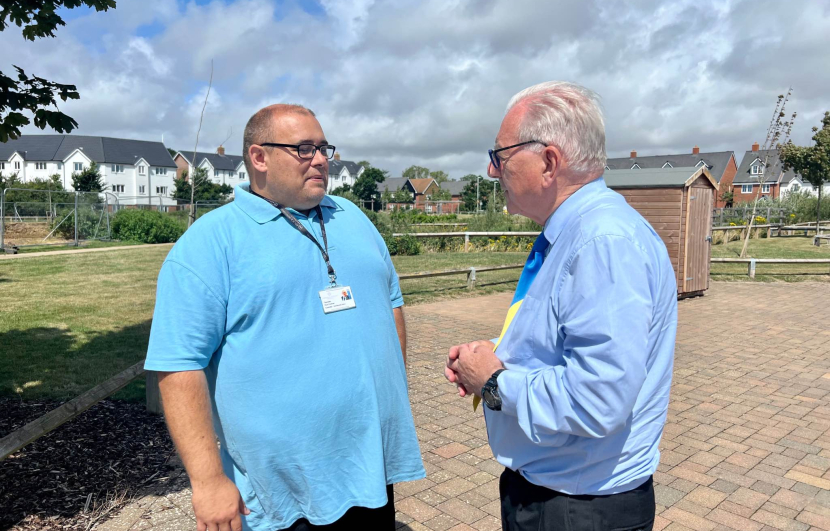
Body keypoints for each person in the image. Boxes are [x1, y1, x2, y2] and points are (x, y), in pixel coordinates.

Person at [145, 104, 424, 531]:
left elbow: (390, 301)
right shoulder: (210, 242)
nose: (321, 159)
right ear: (259, 158)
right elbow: (178, 363)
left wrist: (392, 392)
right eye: (304, 148)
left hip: (369, 464)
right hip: (281, 492)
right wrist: (207, 481)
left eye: (324, 147)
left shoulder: (353, 217)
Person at [444, 81, 677, 531]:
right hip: (562, 493)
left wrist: (493, 381)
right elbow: (565, 342)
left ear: (549, 162)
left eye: (501, 156)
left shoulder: (600, 242)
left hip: (577, 506)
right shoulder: (581, 232)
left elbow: (598, 398)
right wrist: (493, 352)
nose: (493, 172)